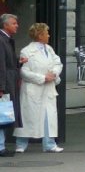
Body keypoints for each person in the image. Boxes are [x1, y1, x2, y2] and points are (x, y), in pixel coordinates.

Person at [14, 23, 63, 153]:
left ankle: (49, 144)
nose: (49, 35)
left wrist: (54, 73)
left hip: (48, 89)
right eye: (47, 33)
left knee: (49, 117)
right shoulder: (26, 51)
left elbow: (58, 63)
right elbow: (23, 72)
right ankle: (21, 144)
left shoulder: (49, 49)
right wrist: (43, 78)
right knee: (28, 117)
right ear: (40, 35)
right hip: (33, 89)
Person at [0, 13, 25, 156]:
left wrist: (19, 63)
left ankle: (1, 146)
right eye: (14, 23)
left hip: (8, 81)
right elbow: (1, 65)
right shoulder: (2, 40)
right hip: (6, 83)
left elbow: (7, 62)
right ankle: (0, 147)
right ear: (6, 25)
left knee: (3, 114)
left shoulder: (6, 39)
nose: (17, 26)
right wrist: (1, 87)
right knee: (2, 114)